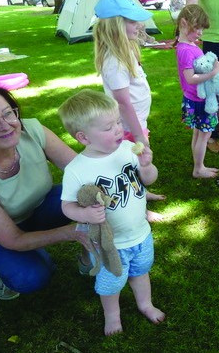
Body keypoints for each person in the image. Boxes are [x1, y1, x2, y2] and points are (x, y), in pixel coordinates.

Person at [59, 90, 164, 336]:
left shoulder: (128, 149)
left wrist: (147, 166)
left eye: (118, 122)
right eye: (108, 127)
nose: (118, 129)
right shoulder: (77, 169)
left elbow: (148, 180)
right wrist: (85, 216)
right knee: (111, 284)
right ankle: (112, 317)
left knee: (140, 271)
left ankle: (145, 304)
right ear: (84, 137)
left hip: (140, 234)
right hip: (109, 245)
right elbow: (67, 206)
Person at [0, 86, 89, 301]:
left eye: (8, 113)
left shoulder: (31, 130)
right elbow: (13, 239)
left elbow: (81, 172)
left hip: (37, 208)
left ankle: (88, 257)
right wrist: (73, 232)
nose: (5, 126)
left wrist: (128, 191)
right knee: (33, 276)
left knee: (86, 197)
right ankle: (2, 267)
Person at [93, 0, 166, 212]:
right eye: (132, 21)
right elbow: (123, 103)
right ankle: (139, 207)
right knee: (130, 166)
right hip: (127, 129)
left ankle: (142, 193)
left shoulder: (126, 50)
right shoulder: (114, 61)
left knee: (137, 164)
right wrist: (137, 136)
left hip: (136, 123)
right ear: (115, 25)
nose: (139, 25)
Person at [175, 5, 219, 178]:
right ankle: (198, 169)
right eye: (197, 28)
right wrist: (214, 73)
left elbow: (201, 66)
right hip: (199, 99)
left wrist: (217, 69)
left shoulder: (190, 45)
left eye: (202, 29)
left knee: (199, 132)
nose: (200, 33)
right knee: (205, 134)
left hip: (195, 97)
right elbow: (190, 78)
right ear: (184, 23)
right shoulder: (186, 50)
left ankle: (199, 164)